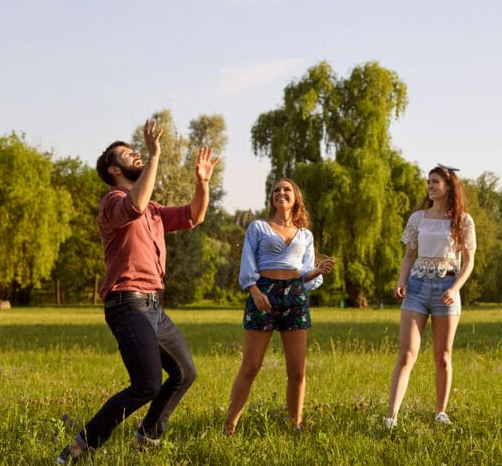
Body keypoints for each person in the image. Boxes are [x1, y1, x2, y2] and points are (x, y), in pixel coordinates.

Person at [57, 120, 219, 464]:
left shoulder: (155, 210)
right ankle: (78, 448)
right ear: (115, 169)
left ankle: (147, 438)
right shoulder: (113, 202)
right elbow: (135, 205)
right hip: (126, 303)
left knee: (184, 373)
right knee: (146, 384)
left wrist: (202, 183)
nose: (137, 155)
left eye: (138, 152)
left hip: (153, 307)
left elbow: (194, 216)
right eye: (129, 154)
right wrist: (156, 154)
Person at [223, 178, 334, 435]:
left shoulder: (305, 234)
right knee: (251, 366)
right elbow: (247, 262)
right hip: (263, 293)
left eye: (286, 190)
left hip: (295, 296)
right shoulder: (258, 227)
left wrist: (318, 270)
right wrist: (254, 290)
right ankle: (229, 426)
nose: (280, 193)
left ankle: (295, 425)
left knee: (297, 368)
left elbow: (305, 271)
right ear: (271, 198)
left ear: (296, 198)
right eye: (276, 190)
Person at [384, 165, 477, 429]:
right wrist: (401, 282)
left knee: (443, 355)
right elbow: (409, 256)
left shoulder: (463, 220)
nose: (430, 186)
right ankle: (391, 416)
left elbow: (469, 262)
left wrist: (455, 288)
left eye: (436, 181)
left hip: (447, 287)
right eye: (429, 182)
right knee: (406, 354)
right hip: (417, 286)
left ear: (449, 186)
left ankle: (441, 412)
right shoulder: (417, 219)